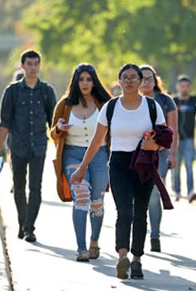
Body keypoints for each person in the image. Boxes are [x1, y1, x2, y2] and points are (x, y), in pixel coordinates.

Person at [71, 64, 166, 280]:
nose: (130, 81)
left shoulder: (152, 107)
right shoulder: (111, 107)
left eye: (134, 77)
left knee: (140, 213)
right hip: (120, 163)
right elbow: (97, 140)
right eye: (125, 77)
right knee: (124, 211)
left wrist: (156, 147)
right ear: (119, 81)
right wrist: (83, 166)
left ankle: (137, 259)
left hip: (145, 164)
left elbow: (164, 136)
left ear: (141, 81)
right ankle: (122, 255)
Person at [50, 64, 112, 262]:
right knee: (82, 197)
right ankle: (81, 247)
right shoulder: (65, 104)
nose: (85, 84)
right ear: (75, 82)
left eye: (88, 80)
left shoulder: (104, 103)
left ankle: (94, 240)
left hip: (100, 155)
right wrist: (59, 128)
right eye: (81, 80)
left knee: (97, 202)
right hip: (73, 155)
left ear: (94, 82)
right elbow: (52, 133)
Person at [0, 50, 56, 243]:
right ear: (22, 66)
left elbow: (53, 122)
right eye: (29, 64)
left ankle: (29, 228)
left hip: (38, 146)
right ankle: (22, 223)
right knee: (19, 187)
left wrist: (62, 146)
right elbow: (4, 122)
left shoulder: (47, 91)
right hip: (18, 146)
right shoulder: (11, 92)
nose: (33, 67)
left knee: (35, 187)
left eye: (36, 64)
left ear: (40, 65)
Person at [139, 65, 178, 253]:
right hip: (136, 153)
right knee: (136, 194)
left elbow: (173, 130)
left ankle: (155, 235)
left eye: (149, 78)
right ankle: (137, 232)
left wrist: (173, 153)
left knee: (154, 194)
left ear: (155, 81)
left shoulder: (165, 101)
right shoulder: (130, 100)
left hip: (160, 153)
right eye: (143, 78)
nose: (146, 82)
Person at [172, 75, 196, 202]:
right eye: (182, 86)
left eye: (187, 86)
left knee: (189, 165)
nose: (184, 89)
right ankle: (177, 191)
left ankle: (190, 191)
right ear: (178, 87)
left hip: (189, 138)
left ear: (190, 87)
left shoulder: (194, 101)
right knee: (175, 166)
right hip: (175, 139)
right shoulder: (173, 101)